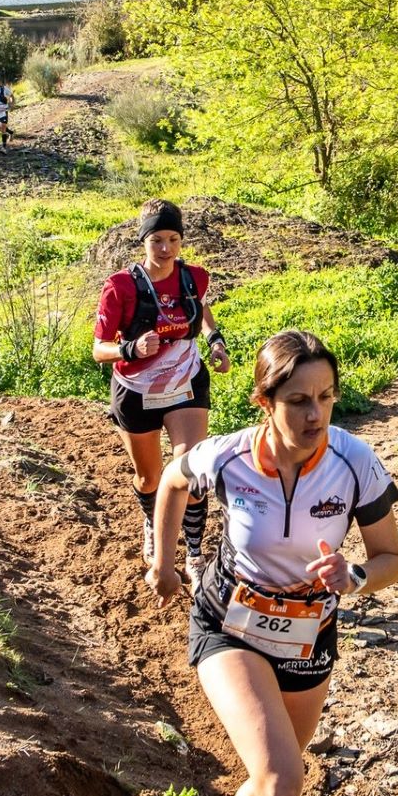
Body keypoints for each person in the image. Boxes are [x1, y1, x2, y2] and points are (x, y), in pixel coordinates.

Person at [147, 330, 398, 796]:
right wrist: (161, 563)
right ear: (265, 401)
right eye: (297, 400)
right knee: (280, 779)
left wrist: (357, 576)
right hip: (229, 620)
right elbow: (171, 483)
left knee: (281, 782)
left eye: (326, 397)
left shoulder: (354, 462)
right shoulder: (230, 456)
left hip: (309, 633)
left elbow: (391, 557)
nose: (315, 414)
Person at [91, 198, 230, 582]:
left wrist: (216, 341)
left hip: (185, 381)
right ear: (144, 241)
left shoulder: (193, 277)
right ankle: (151, 524)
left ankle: (195, 553)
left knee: (192, 470)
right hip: (136, 390)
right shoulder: (120, 287)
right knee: (150, 478)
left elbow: (199, 309)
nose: (166, 249)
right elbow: (97, 348)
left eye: (173, 239)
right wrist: (130, 348)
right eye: (157, 240)